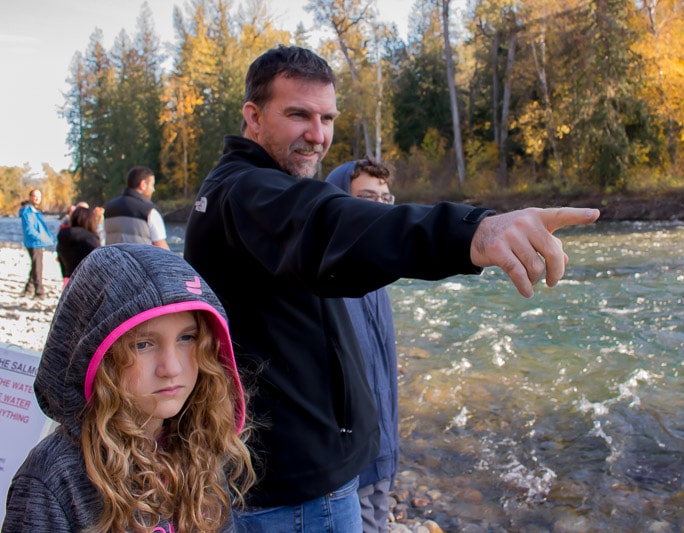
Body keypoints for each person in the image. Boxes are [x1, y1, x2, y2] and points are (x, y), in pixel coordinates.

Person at [184, 44, 599, 532]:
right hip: (296, 491)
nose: (317, 136)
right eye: (298, 115)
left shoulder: (240, 189)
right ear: (253, 116)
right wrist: (472, 232)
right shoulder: (248, 191)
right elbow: (329, 222)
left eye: (327, 118)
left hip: (289, 471)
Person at [2, 243, 255, 532]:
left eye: (187, 338)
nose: (171, 368)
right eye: (143, 344)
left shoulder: (199, 446)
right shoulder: (56, 477)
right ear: (95, 357)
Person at [326, 157, 399, 533]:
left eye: (385, 199)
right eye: (366, 197)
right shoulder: (325, 273)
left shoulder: (377, 268)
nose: (378, 208)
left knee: (379, 515)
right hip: (349, 461)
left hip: (384, 443)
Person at [104, 166, 170, 250]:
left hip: (114, 262)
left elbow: (102, 241)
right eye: (152, 185)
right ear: (143, 185)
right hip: (141, 262)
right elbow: (162, 249)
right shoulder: (149, 211)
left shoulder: (109, 208)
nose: (153, 190)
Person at [19, 189, 55, 300]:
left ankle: (28, 290)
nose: (37, 198)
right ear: (30, 197)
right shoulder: (27, 212)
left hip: (37, 243)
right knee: (38, 268)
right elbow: (30, 230)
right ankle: (39, 292)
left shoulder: (35, 211)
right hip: (34, 243)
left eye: (39, 196)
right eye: (35, 196)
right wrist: (42, 238)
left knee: (35, 266)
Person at [56, 205, 101, 287]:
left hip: (68, 280)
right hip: (88, 283)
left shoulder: (63, 236)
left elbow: (60, 259)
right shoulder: (92, 239)